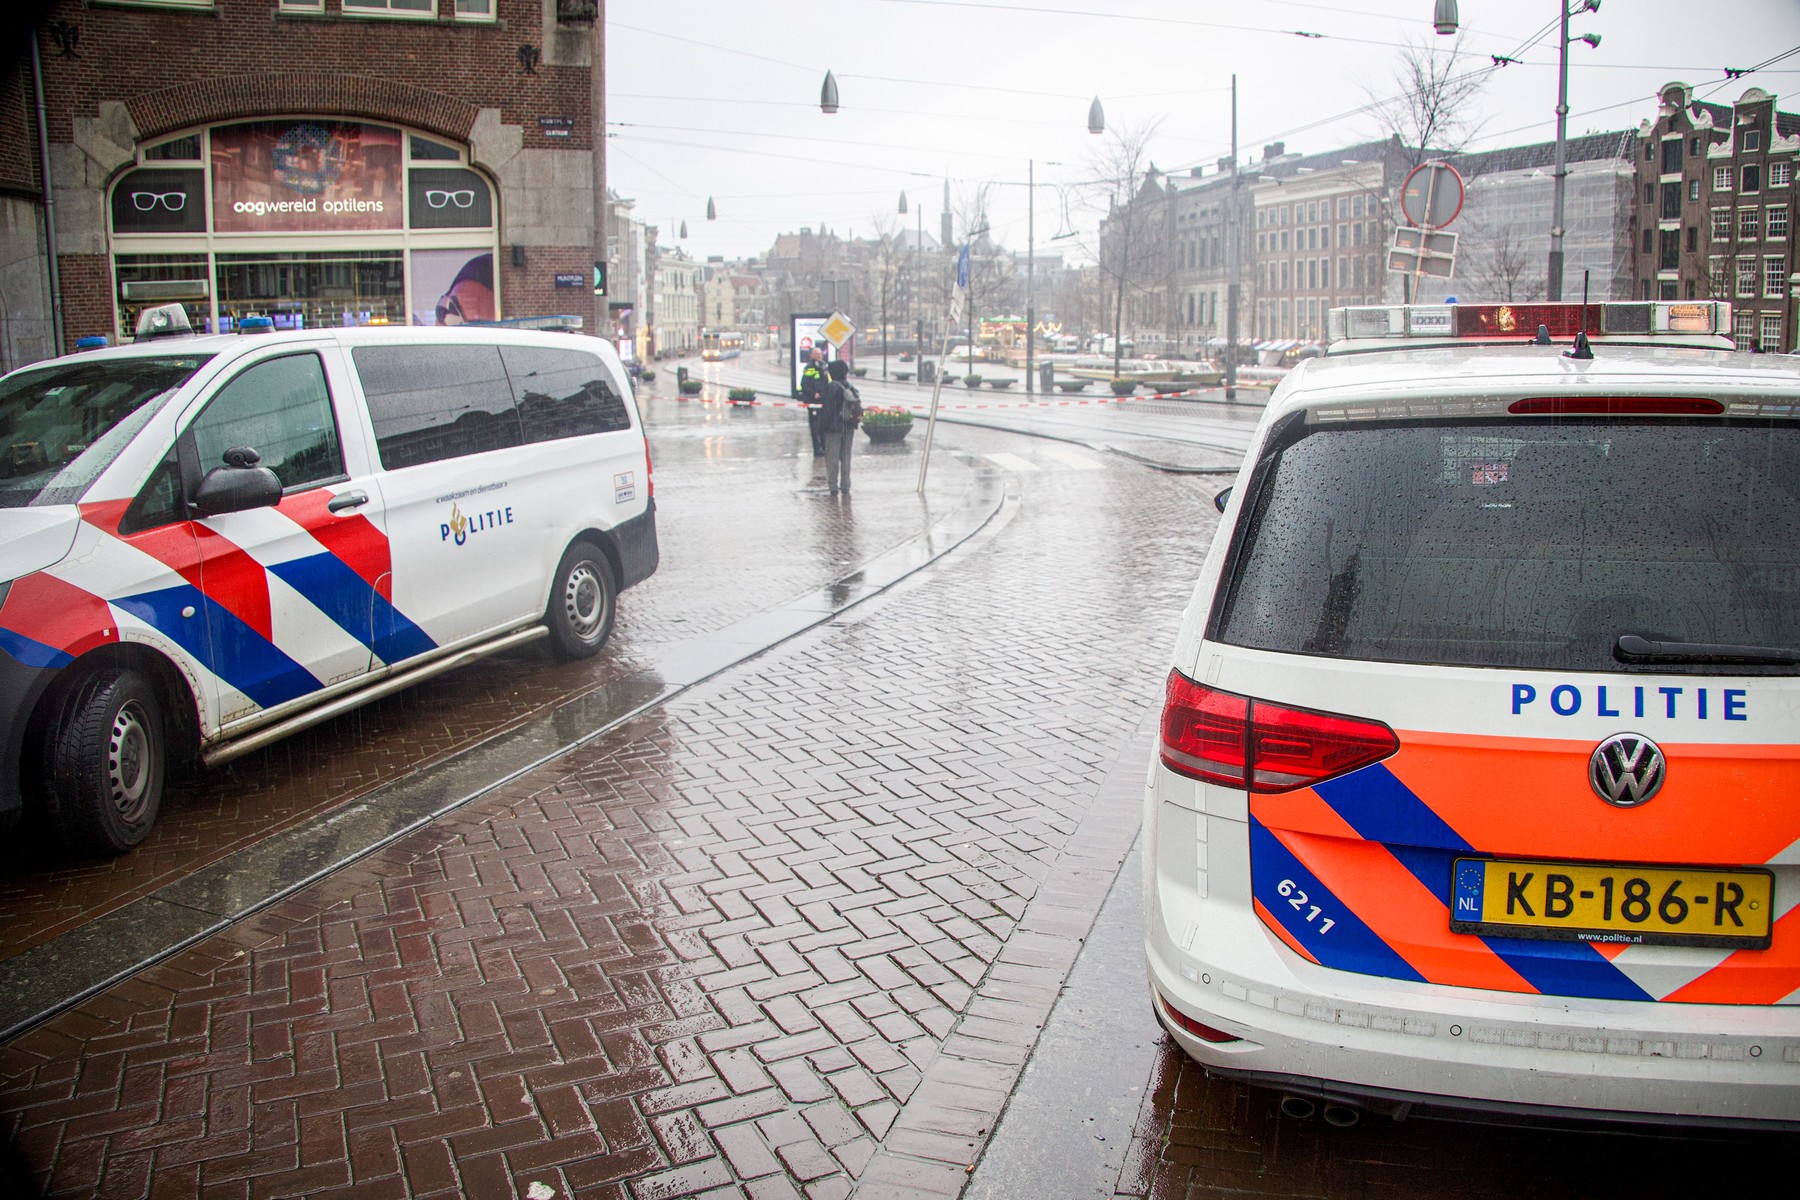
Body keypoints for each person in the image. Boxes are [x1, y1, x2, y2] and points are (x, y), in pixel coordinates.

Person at [820, 359, 861, 495]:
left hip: (833, 428)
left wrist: (822, 428)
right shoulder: (850, 386)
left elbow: (828, 410)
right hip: (848, 426)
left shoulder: (832, 387)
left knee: (832, 458)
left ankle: (833, 486)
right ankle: (845, 485)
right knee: (846, 457)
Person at [799, 346, 829, 454]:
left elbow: (826, 382)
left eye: (820, 354)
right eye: (816, 354)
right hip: (813, 401)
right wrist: (813, 394)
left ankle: (824, 446)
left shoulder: (824, 366)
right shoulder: (810, 367)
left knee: (823, 424)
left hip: (822, 400)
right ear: (811, 355)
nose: (819, 356)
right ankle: (817, 448)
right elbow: (804, 384)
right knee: (815, 425)